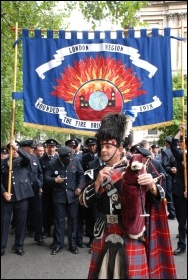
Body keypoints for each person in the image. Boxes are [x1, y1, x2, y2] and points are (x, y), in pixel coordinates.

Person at [81, 112, 177, 279]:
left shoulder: (137, 168)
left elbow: (160, 196)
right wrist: (97, 183)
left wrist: (152, 186)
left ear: (119, 149)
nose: (103, 150)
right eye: (101, 146)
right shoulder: (94, 172)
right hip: (104, 231)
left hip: (130, 231)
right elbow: (83, 202)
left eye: (108, 147)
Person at [44, 146, 85, 255]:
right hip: (59, 196)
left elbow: (81, 175)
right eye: (67, 159)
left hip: (73, 195)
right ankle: (58, 244)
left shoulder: (75, 160)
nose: (70, 160)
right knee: (59, 221)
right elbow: (46, 178)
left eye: (70, 158)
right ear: (61, 158)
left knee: (73, 220)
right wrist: (54, 180)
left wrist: (79, 187)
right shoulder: (53, 163)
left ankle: (72, 244)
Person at [1, 140, 34, 256]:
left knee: (21, 222)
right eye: (12, 149)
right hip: (7, 198)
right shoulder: (3, 162)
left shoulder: (22, 161)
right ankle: (2, 247)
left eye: (16, 149)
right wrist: (4, 192)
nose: (14, 151)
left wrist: (17, 147)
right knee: (4, 223)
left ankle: (19, 246)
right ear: (8, 150)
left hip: (22, 196)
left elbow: (28, 158)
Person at [20, 140, 45, 246]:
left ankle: (39, 236)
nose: (33, 149)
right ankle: (19, 241)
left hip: (35, 190)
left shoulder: (35, 157)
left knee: (38, 213)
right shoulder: (19, 157)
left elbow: (40, 173)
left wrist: (39, 184)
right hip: (23, 190)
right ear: (24, 148)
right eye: (31, 147)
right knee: (22, 215)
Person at [170, 124, 187, 255]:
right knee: (181, 221)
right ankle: (182, 244)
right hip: (180, 193)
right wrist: (179, 132)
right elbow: (173, 146)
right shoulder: (182, 156)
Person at [39, 139, 59, 238]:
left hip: (57, 189)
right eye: (49, 147)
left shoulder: (59, 159)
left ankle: (57, 232)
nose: (51, 149)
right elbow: (40, 174)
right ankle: (46, 230)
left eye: (53, 147)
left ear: (55, 148)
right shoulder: (42, 160)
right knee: (46, 211)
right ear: (46, 148)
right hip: (46, 190)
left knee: (57, 212)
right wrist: (40, 186)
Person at [161, 136, 177, 219]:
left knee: (169, 193)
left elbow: (164, 163)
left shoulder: (165, 151)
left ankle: (172, 212)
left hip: (169, 175)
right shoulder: (177, 150)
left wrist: (171, 169)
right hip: (177, 175)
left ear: (167, 142)